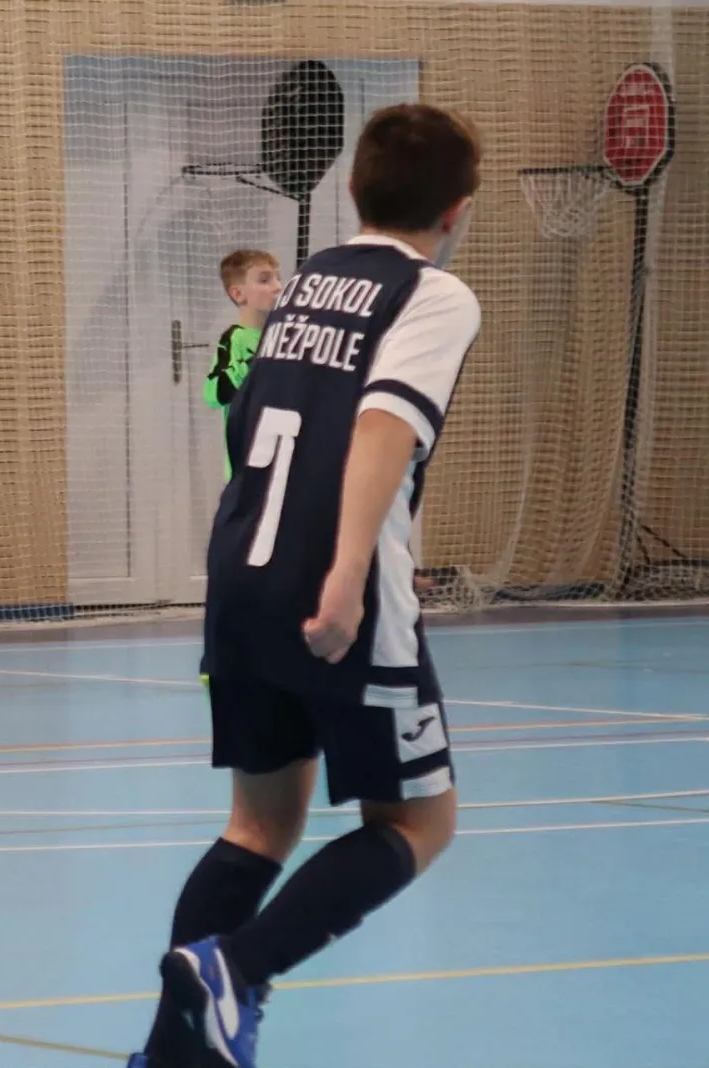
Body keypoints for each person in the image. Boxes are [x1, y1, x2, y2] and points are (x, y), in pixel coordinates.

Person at [130, 103, 482, 1068]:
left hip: (240, 570)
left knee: (259, 824)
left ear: (354, 189)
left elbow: (249, 425)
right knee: (420, 820)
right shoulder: (435, 295)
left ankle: (169, 1057)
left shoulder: (308, 279)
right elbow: (383, 428)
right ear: (456, 210)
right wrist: (349, 573)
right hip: (333, 584)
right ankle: (238, 970)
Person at [205, 249, 283, 480]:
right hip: (247, 461)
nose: (277, 286)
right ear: (238, 294)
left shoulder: (283, 336)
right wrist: (253, 364)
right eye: (265, 280)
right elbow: (213, 394)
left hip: (281, 451)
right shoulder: (235, 339)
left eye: (278, 278)